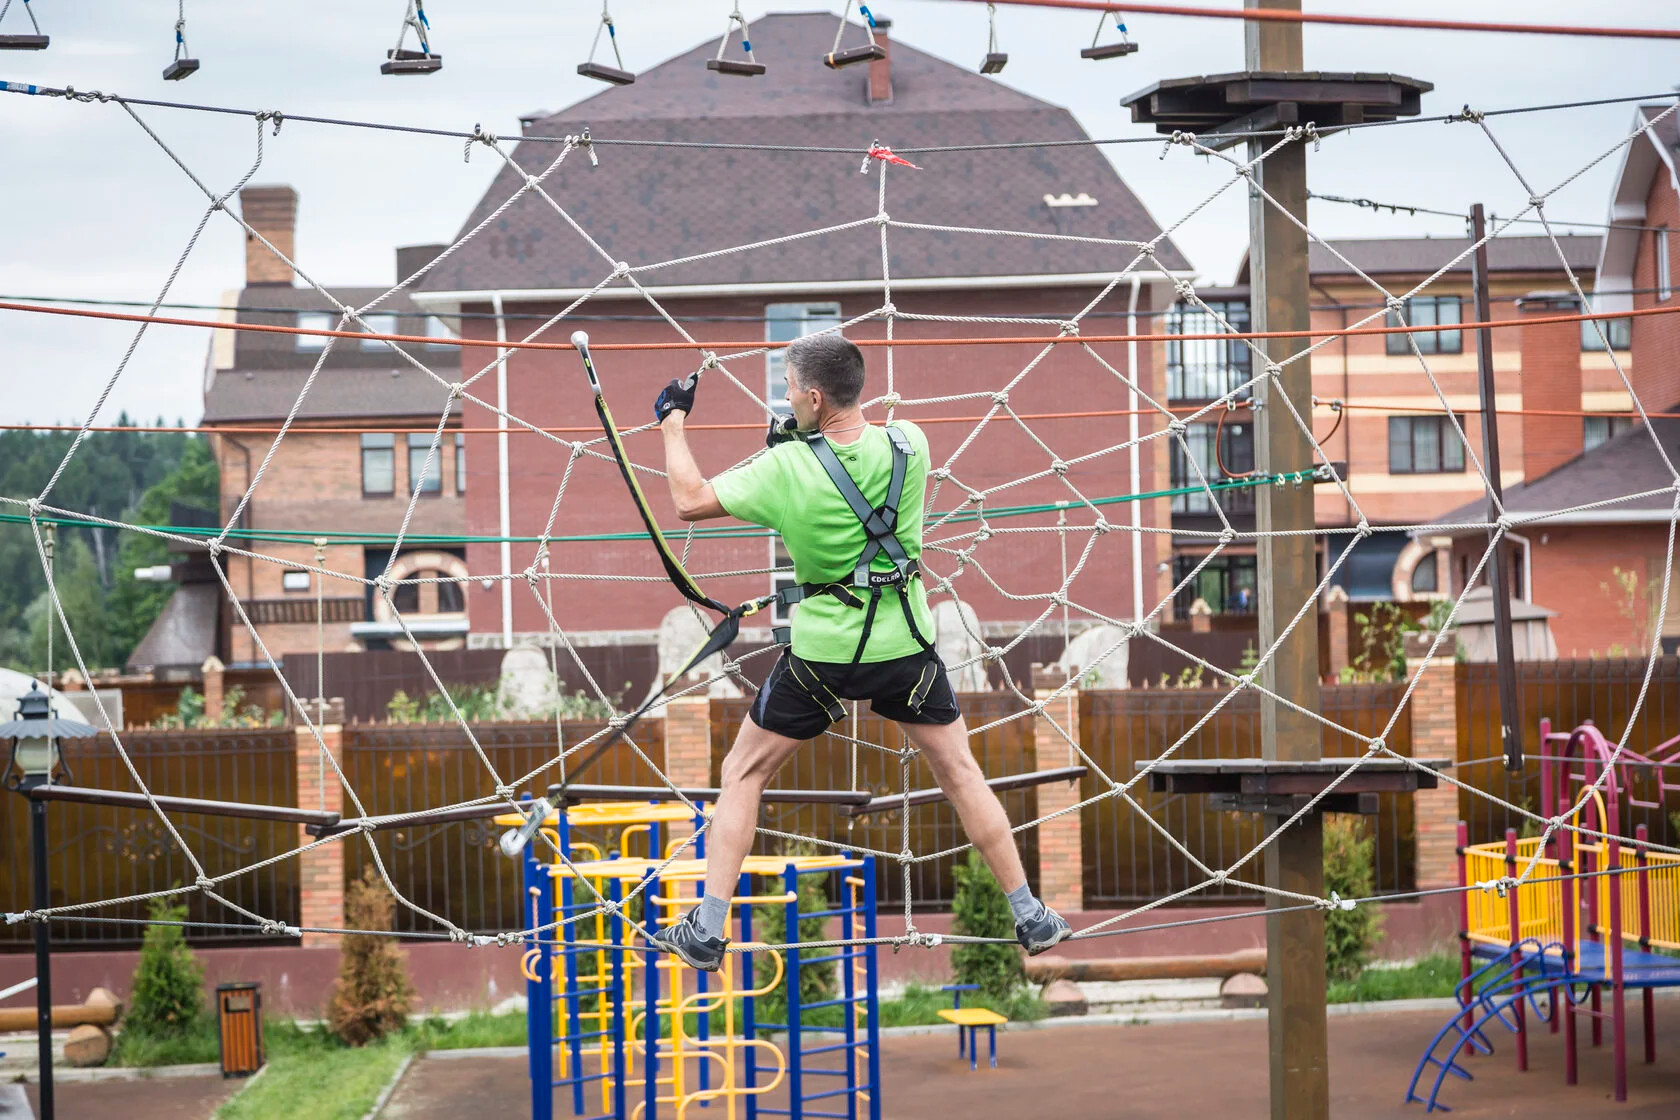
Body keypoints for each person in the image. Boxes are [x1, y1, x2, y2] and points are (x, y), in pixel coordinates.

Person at [644, 332, 1070, 971]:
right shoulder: (912, 444)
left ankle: (707, 927)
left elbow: (687, 501)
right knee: (960, 772)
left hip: (823, 657)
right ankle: (1030, 913)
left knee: (742, 773)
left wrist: (673, 422)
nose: (786, 397)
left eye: (790, 388)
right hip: (907, 647)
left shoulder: (785, 469)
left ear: (813, 397)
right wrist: (800, 436)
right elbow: (855, 451)